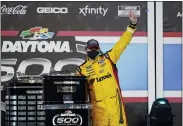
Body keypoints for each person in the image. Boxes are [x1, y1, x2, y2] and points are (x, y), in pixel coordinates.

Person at [76, 10, 137, 126]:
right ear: (86, 50)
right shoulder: (81, 70)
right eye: (91, 49)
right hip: (98, 111)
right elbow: (77, 93)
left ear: (98, 49)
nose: (93, 51)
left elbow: (122, 44)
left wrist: (132, 26)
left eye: (95, 48)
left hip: (115, 107)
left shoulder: (109, 58)